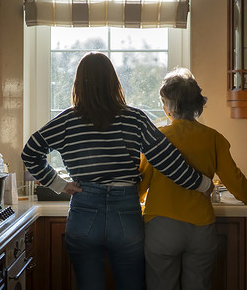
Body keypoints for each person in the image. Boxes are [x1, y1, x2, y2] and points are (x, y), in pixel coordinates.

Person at [21, 53, 214, 290]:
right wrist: (202, 183)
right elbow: (167, 159)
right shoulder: (134, 118)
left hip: (84, 210)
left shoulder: (67, 121)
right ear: (114, 82)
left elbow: (30, 151)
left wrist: (60, 184)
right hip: (125, 211)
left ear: (78, 84)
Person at [139, 68, 247, 290]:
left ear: (169, 106)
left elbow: (141, 182)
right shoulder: (214, 138)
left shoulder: (158, 138)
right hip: (201, 229)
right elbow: (234, 178)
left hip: (162, 227)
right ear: (197, 105)